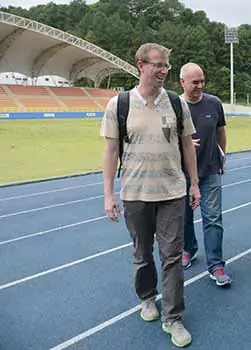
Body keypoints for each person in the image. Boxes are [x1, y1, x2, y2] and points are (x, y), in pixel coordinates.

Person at [101, 43, 200, 348]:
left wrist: (194, 183)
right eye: (159, 65)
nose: (164, 71)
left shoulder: (176, 103)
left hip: (172, 192)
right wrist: (109, 194)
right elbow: (111, 151)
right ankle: (147, 298)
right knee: (142, 254)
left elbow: (187, 146)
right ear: (141, 65)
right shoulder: (119, 105)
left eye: (167, 66)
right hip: (135, 194)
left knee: (172, 256)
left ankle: (173, 317)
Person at [179, 62, 231, 287]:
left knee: (213, 218)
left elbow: (221, 132)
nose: (200, 86)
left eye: (202, 81)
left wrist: (222, 157)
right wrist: (185, 145)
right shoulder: (175, 106)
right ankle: (188, 248)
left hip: (210, 171)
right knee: (183, 218)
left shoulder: (214, 103)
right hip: (181, 174)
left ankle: (216, 264)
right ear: (182, 83)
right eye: (194, 82)